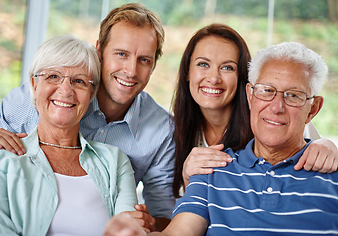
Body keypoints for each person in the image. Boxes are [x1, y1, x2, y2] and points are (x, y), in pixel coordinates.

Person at [104, 41, 338, 236]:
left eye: (293, 96)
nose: (276, 107)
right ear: (250, 95)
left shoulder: (329, 168)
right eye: (267, 90)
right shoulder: (210, 170)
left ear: (313, 108)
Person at [0, 3, 173, 231]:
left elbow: (164, 216)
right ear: (99, 50)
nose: (130, 71)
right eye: (121, 54)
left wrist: (147, 226)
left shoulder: (162, 131)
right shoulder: (37, 99)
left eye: (144, 60)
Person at [0, 35, 138, 235]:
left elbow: (129, 231)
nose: (65, 90)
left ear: (91, 94)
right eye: (53, 76)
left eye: (79, 81)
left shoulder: (115, 161)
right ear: (34, 85)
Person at [172, 23, 338, 197]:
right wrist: (187, 180)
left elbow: (313, 149)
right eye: (203, 64)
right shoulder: (175, 131)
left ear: (243, 80)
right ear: (187, 71)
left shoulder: (271, 119)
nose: (213, 78)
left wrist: (326, 146)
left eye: (228, 67)